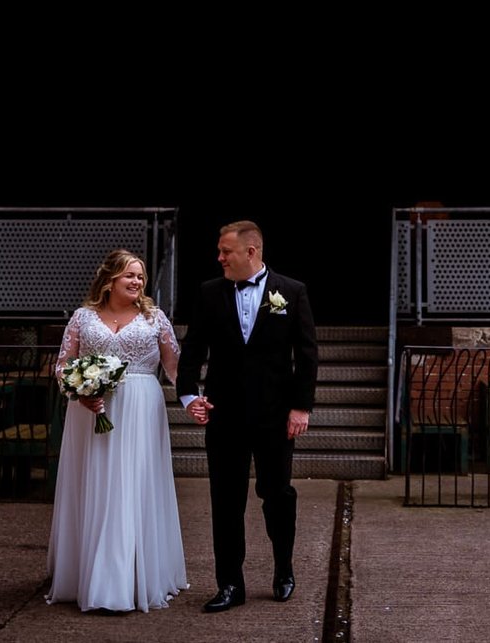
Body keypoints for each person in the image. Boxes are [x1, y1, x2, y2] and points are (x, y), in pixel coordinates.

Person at [176, 220, 317, 613]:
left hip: (275, 417)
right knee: (225, 501)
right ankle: (229, 584)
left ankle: (284, 569)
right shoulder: (209, 293)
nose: (219, 258)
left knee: (277, 496)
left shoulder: (291, 291)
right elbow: (193, 352)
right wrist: (189, 397)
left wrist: (301, 407)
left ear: (250, 252)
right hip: (225, 416)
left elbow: (307, 356)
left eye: (226, 251)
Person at [45, 249, 188, 612]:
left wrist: (193, 400)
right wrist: (79, 392)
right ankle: (91, 575)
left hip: (140, 407)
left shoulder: (154, 318)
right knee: (95, 486)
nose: (137, 282)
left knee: (131, 486)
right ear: (109, 280)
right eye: (130, 275)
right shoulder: (83, 317)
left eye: (140, 276)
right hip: (91, 411)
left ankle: (126, 580)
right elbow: (62, 366)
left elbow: (175, 369)